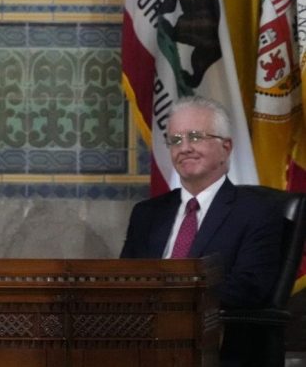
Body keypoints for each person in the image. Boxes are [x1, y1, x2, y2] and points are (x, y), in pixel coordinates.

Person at [120, 95, 283, 309]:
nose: (184, 147)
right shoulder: (147, 213)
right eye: (175, 140)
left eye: (195, 137)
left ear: (226, 148)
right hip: (143, 330)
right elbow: (123, 280)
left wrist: (173, 299)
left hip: (214, 333)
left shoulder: (257, 212)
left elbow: (248, 289)